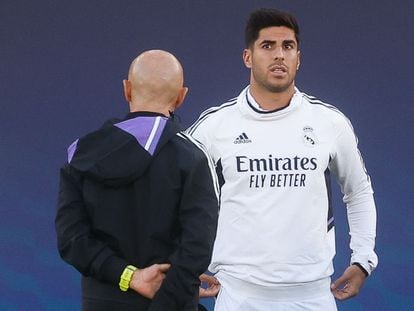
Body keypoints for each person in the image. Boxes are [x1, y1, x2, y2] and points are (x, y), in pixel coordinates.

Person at [187, 8, 378, 311]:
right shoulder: (214, 126)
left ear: (298, 58)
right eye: (268, 46)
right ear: (247, 57)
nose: (279, 55)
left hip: (312, 294)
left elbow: (358, 192)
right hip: (238, 293)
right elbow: (176, 195)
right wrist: (182, 265)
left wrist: (363, 259)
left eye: (288, 46)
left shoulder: (329, 122)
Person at [55, 50, 220, 311]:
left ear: (127, 89)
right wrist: (177, 288)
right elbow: (196, 248)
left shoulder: (80, 154)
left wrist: (129, 276)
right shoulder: (195, 158)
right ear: (181, 96)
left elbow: (71, 240)